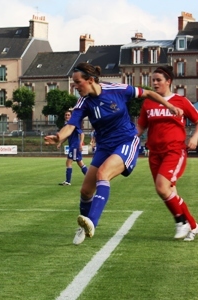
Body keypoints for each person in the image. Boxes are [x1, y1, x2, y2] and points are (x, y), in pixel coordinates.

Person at [44, 62, 182, 245]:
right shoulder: (83, 103)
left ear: (90, 80)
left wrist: (169, 106)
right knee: (85, 191)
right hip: (104, 147)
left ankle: (92, 221)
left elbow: (148, 93)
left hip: (126, 141)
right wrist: (59, 136)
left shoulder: (118, 89)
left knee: (103, 174)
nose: (75, 87)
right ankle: (83, 227)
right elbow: (70, 125)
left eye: (77, 82)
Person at [137, 66, 198, 241]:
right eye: (152, 80)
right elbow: (141, 126)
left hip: (175, 151)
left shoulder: (181, 101)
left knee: (162, 187)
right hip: (154, 152)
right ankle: (193, 226)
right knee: (169, 191)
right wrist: (129, 138)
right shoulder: (148, 102)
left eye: (158, 80)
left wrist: (194, 137)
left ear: (168, 81)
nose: (154, 83)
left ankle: (181, 222)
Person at [58, 110, 88, 186]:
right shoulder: (67, 125)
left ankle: (68, 181)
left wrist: (81, 144)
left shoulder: (73, 124)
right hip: (73, 146)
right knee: (80, 163)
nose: (67, 116)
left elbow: (82, 134)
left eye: (68, 115)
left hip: (75, 146)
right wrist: (60, 142)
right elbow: (66, 136)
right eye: (66, 115)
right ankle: (90, 179)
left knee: (69, 162)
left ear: (71, 116)